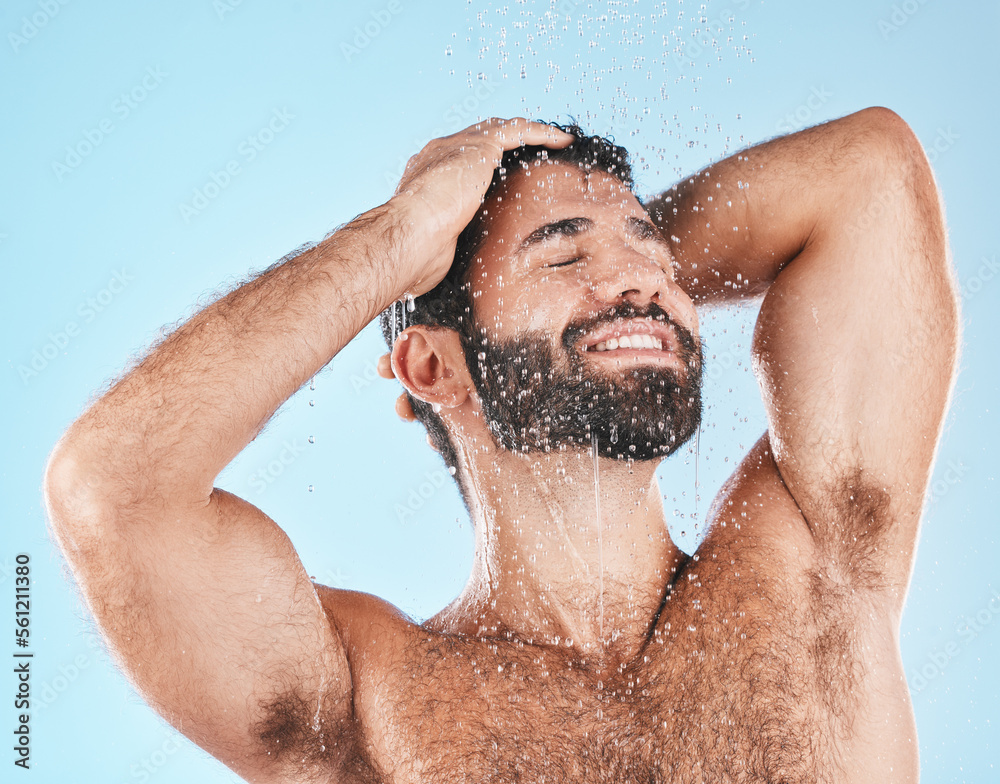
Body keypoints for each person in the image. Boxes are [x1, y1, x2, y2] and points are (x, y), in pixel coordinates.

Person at [44, 111, 958, 783]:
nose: (644, 277)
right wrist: (402, 242)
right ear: (433, 367)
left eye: (653, 252)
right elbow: (113, 490)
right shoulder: (371, 699)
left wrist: (600, 290)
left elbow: (868, 172)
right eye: (562, 257)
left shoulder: (814, 560)